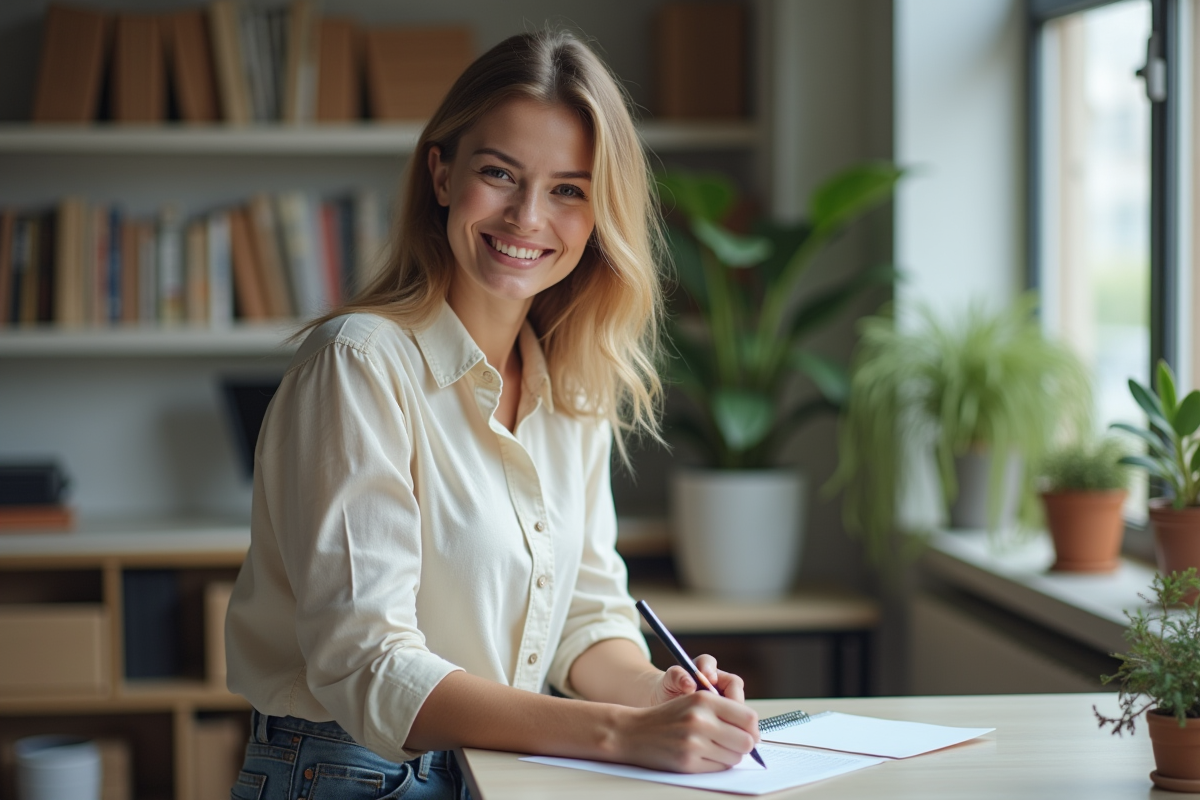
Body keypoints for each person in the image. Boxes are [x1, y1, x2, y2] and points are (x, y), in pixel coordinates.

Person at [224, 28, 761, 800]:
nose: (526, 218)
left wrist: (662, 699)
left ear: (599, 213)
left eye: (569, 189)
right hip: (350, 772)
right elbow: (366, 664)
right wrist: (618, 733)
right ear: (441, 175)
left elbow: (585, 616)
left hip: (500, 769)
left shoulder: (571, 385)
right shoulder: (360, 364)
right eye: (499, 174)